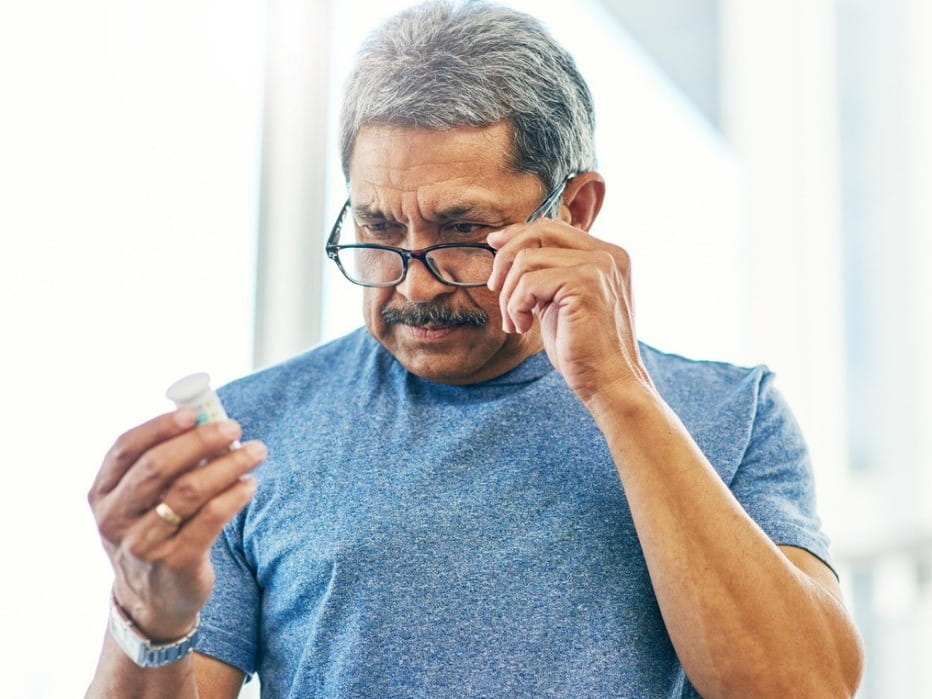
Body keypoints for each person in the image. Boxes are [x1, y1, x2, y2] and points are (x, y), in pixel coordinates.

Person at [86, 1, 864, 697]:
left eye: (462, 232)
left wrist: (619, 395)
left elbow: (807, 687)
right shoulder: (254, 428)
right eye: (381, 230)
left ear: (577, 210)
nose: (414, 287)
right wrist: (147, 621)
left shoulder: (734, 415)